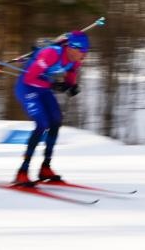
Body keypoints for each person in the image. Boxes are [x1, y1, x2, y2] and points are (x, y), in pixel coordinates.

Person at [12, 30, 89, 186]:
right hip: (27, 87)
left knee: (55, 121)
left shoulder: (76, 59)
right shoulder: (51, 53)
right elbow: (29, 77)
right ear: (71, 48)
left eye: (86, 52)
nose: (84, 55)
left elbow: (71, 74)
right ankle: (22, 172)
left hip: (43, 88)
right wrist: (53, 85)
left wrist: (71, 86)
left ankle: (45, 168)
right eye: (82, 51)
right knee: (42, 124)